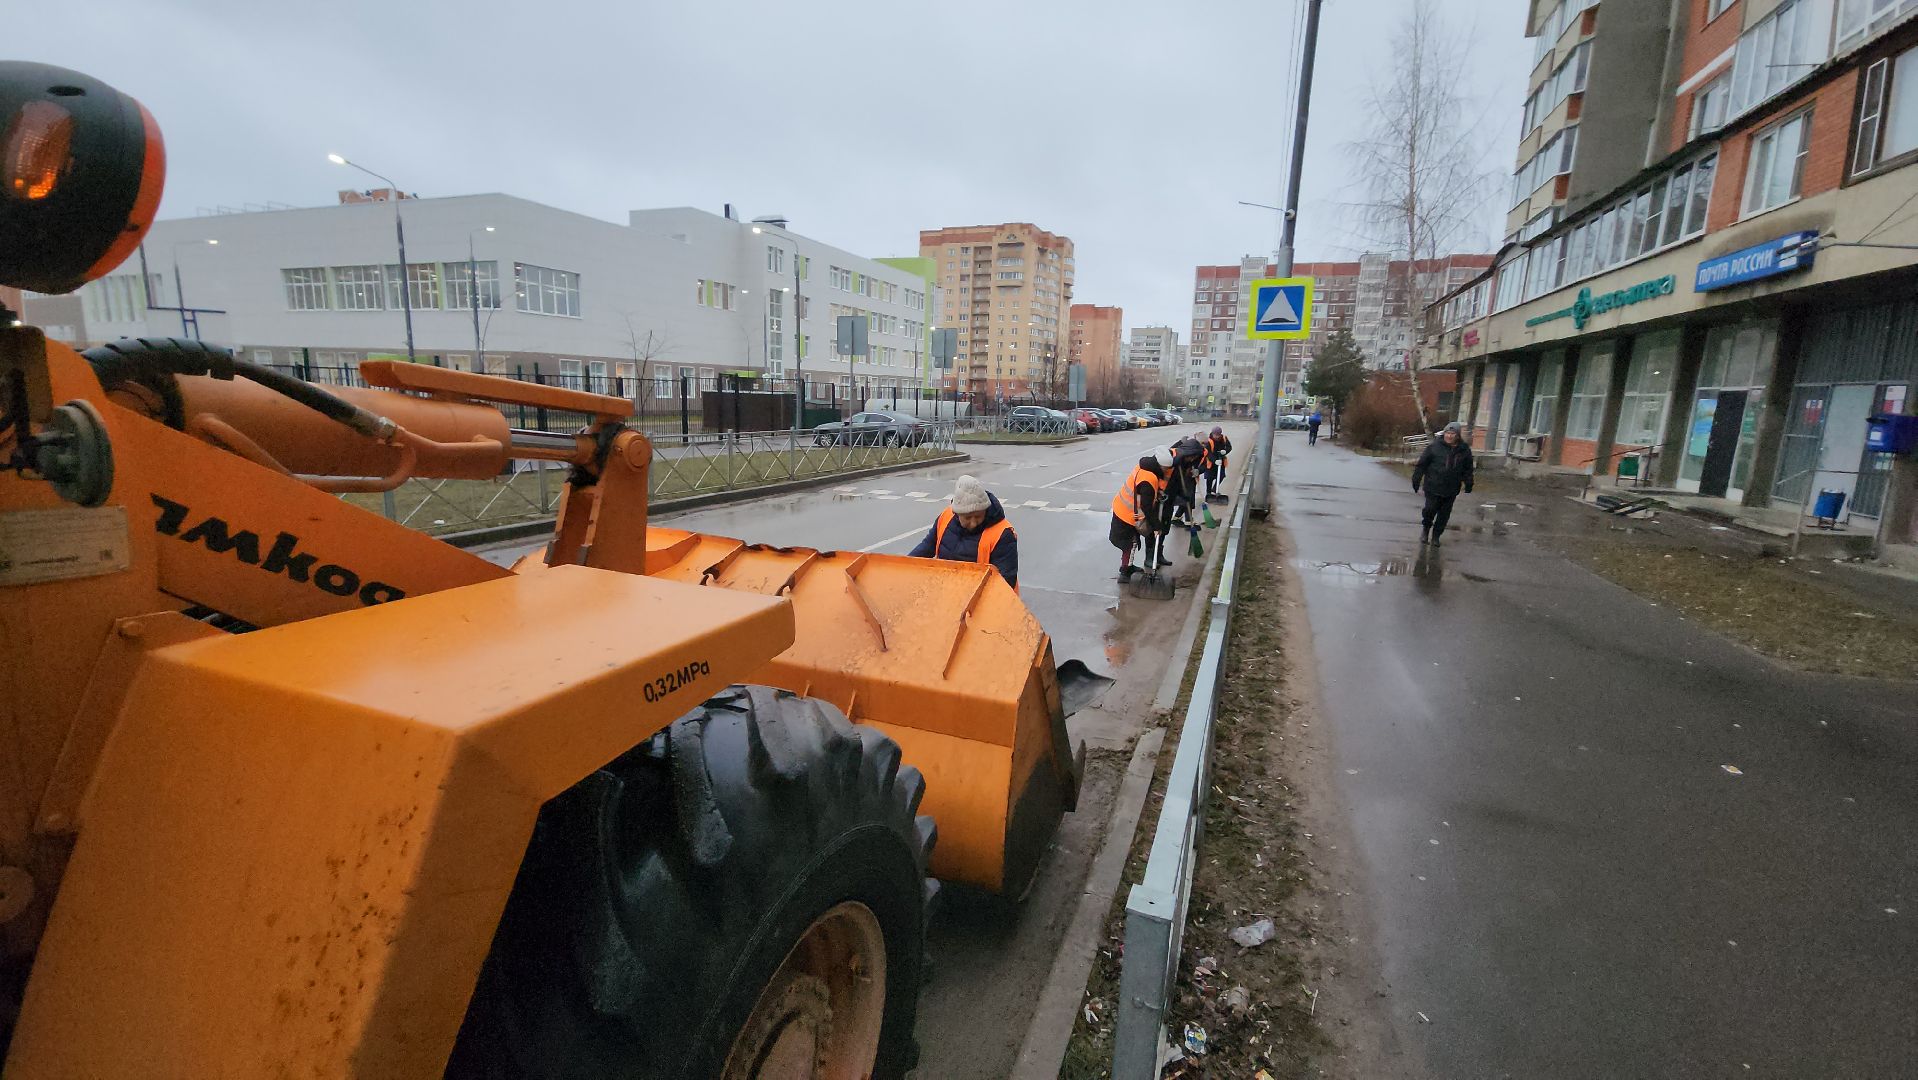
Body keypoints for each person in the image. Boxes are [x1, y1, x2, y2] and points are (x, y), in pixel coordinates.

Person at [909, 474, 1018, 589]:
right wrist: (904, 566)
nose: (973, 523)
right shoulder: (946, 516)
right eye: (967, 518)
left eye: (978, 516)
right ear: (957, 513)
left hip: (984, 598)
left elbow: (1006, 580)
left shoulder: (1002, 533)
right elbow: (928, 546)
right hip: (946, 591)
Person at [1111, 447, 1174, 580]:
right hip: (1126, 514)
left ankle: (1128, 566)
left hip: (1122, 507)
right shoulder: (1149, 479)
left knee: (1130, 542)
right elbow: (1146, 507)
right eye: (1165, 469)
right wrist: (1157, 526)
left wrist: (1157, 494)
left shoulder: (1143, 467)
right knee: (1130, 543)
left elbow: (1142, 492)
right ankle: (1125, 572)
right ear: (1160, 466)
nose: (1166, 472)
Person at [1411, 422, 1475, 546]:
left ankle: (1436, 536)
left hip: (1451, 488)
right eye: (1447, 433)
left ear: (1457, 436)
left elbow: (1468, 469)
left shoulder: (1464, 450)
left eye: (1452, 434)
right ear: (1444, 434)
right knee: (1430, 509)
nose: (1449, 436)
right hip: (1433, 486)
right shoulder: (1434, 447)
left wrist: (1468, 483)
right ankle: (1425, 530)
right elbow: (1422, 465)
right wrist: (1416, 480)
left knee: (1444, 515)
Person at [1203, 427, 1232, 501]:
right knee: (1209, 478)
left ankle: (1215, 489)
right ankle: (1208, 493)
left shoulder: (1224, 438)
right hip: (1211, 462)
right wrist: (1214, 460)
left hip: (1221, 460)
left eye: (1218, 435)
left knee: (1221, 476)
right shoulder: (1208, 441)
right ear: (1212, 434)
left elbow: (1229, 447)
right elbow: (1207, 453)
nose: (1217, 436)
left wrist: (1225, 451)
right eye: (1215, 435)